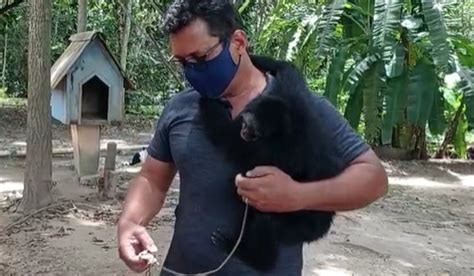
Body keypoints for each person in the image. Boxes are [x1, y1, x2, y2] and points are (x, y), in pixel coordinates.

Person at [117, 0, 388, 275]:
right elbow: (151, 177)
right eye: (182, 62)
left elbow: (373, 179)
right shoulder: (180, 107)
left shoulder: (299, 107)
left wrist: (298, 195)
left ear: (238, 42)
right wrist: (130, 222)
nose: (192, 71)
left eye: (200, 58)